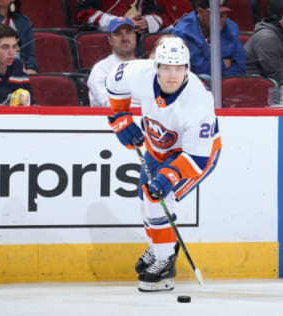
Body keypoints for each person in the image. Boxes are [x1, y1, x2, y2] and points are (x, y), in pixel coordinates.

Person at [106, 36, 221, 292]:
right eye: (167, 68)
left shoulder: (198, 101)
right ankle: (161, 245)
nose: (172, 75)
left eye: (178, 68)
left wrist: (168, 177)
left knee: (156, 198)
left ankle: (165, 260)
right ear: (156, 66)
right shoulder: (139, 73)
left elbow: (197, 157)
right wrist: (122, 116)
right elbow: (114, 81)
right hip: (158, 149)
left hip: (193, 157)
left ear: (187, 69)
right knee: (144, 198)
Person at [171, 0, 246, 77]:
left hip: (226, 85)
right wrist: (224, 64)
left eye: (223, 15)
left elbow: (240, 68)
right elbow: (197, 69)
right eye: (215, 14)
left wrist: (222, 80)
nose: (221, 20)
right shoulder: (183, 32)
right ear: (200, 12)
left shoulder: (232, 28)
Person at [87, 17, 140, 107]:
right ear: (110, 40)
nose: (125, 38)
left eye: (128, 32)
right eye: (118, 34)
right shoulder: (101, 69)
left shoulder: (145, 67)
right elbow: (108, 103)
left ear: (135, 36)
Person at [76, 0, 163, 34]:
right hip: (102, 35)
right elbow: (85, 14)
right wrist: (120, 22)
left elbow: (157, 16)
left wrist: (146, 22)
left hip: (135, 35)